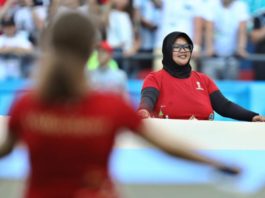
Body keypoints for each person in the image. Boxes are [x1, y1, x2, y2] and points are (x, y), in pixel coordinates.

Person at [0, 12, 240, 198]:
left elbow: (6, 149)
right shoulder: (110, 106)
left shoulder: (27, 105)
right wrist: (217, 163)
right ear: (88, 52)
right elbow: (166, 147)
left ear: (49, 47)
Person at [138, 31, 265, 121]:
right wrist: (144, 110)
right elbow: (148, 99)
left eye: (187, 47)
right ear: (167, 50)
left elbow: (224, 106)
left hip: (206, 142)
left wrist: (252, 116)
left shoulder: (203, 80)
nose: (183, 51)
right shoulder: (155, 78)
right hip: (170, 145)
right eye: (176, 47)